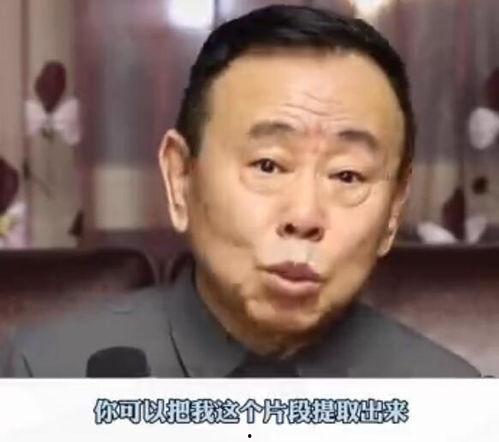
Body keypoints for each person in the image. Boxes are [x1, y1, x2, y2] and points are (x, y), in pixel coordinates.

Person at [0, 4, 478, 377]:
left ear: (393, 213)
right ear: (180, 179)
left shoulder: (447, 403)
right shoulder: (46, 375)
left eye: (347, 175)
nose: (304, 216)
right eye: (268, 165)